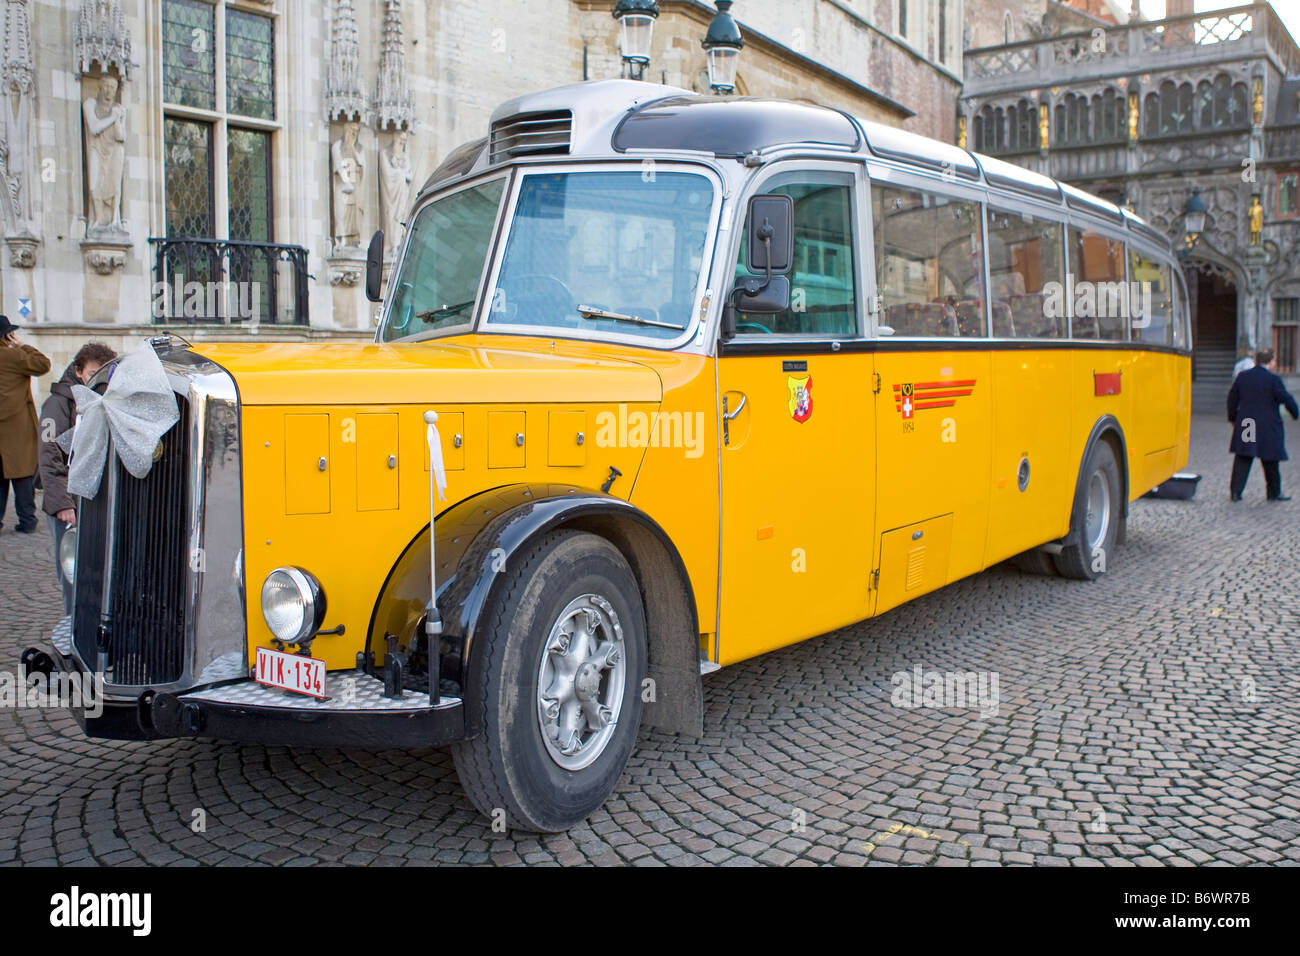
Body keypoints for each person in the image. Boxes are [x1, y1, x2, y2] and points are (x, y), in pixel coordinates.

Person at [39, 342, 116, 614]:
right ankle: (73, 627)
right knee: (72, 572)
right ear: (78, 370)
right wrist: (62, 504)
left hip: (90, 499)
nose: (98, 378)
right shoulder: (57, 404)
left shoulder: (99, 398)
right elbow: (49, 456)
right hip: (67, 503)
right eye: (93, 372)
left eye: (104, 372)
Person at [0, 315, 52, 533]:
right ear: (7, 334)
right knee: (21, 474)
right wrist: (23, 345)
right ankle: (27, 521)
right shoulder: (14, 355)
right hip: (16, 426)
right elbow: (43, 365)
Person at [1228, 347, 1300, 502]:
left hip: (1248, 423)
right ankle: (1274, 492)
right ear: (1272, 361)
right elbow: (1285, 398)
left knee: (1243, 457)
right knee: (1270, 459)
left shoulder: (1243, 377)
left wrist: (1233, 418)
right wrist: (1295, 414)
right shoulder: (1273, 380)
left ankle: (1235, 492)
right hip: (1268, 424)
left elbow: (1232, 399)